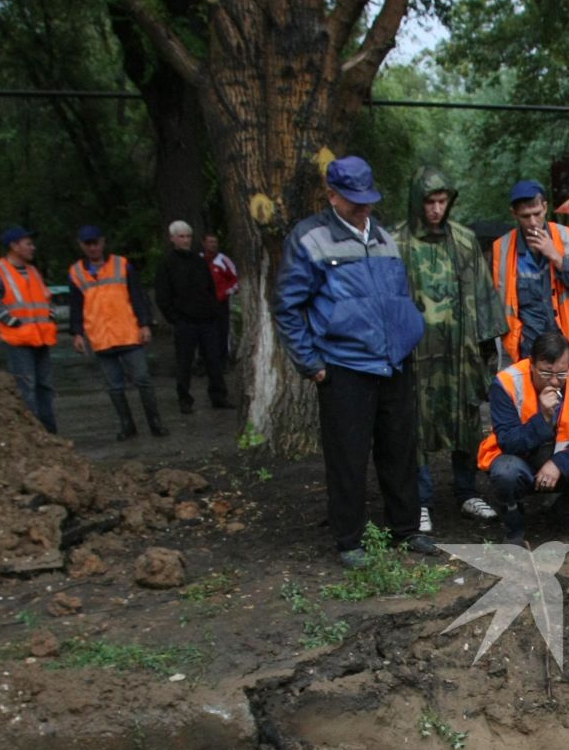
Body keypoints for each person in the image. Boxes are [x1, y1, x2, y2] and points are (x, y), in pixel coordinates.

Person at [274, 155, 437, 569]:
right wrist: (310, 362)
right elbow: (287, 306)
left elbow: (398, 296)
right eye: (353, 200)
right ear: (331, 196)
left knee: (399, 449)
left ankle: (405, 529)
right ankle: (350, 539)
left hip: (393, 362)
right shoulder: (309, 238)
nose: (363, 207)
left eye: (368, 198)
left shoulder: (383, 236)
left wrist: (406, 334)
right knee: (347, 455)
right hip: (344, 365)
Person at [392, 165, 504, 533]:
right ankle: (421, 500)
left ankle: (467, 490)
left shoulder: (464, 240)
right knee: (417, 424)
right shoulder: (398, 243)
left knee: (466, 417)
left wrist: (487, 347)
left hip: (460, 351)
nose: (437, 209)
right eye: (430, 202)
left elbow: (484, 295)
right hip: (417, 354)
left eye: (442, 201)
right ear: (416, 203)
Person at [478, 331, 569, 543]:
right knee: (505, 472)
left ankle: (566, 514)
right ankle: (514, 527)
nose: (554, 381)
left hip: (565, 462)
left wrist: (559, 463)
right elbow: (508, 441)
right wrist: (543, 417)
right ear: (531, 364)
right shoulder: (506, 383)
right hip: (522, 460)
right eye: (546, 373)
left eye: (562, 374)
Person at [66, 224, 162, 440]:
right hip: (101, 337)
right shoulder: (76, 273)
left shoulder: (121, 265)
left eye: (95, 242)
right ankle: (127, 426)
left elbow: (138, 296)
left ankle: (155, 422)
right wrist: (77, 333)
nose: (93, 247)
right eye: (88, 244)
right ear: (81, 245)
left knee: (142, 379)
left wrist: (144, 324)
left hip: (128, 333)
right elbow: (76, 306)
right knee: (114, 387)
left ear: (103, 242)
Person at [491, 179, 569, 368]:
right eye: (525, 216)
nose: (533, 222)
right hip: (528, 347)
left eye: (537, 214)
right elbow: (498, 302)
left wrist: (556, 257)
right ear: (514, 214)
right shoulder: (501, 248)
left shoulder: (567, 238)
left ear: (545, 207)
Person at [0, 225, 59, 433]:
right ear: (14, 246)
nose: (33, 248)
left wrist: (50, 317)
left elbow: (45, 299)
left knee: (44, 388)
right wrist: (15, 323)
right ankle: (37, 437)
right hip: (19, 340)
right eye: (28, 243)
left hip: (41, 339)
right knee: (27, 388)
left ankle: (51, 435)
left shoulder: (33, 271)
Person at [154, 220, 231, 412]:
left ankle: (218, 395)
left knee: (213, 359)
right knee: (184, 362)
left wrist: (212, 310)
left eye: (188, 236)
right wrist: (175, 318)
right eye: (181, 236)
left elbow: (209, 289)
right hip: (184, 321)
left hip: (206, 319)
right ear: (173, 239)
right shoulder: (167, 264)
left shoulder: (199, 262)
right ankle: (184, 398)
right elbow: (163, 295)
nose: (185, 240)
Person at [202, 232, 238, 357]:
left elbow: (235, 280)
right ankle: (203, 360)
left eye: (215, 242)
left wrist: (225, 293)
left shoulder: (223, 259)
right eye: (210, 242)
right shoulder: (198, 260)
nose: (213, 245)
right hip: (203, 303)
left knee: (222, 331)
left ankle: (223, 359)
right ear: (204, 243)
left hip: (220, 303)